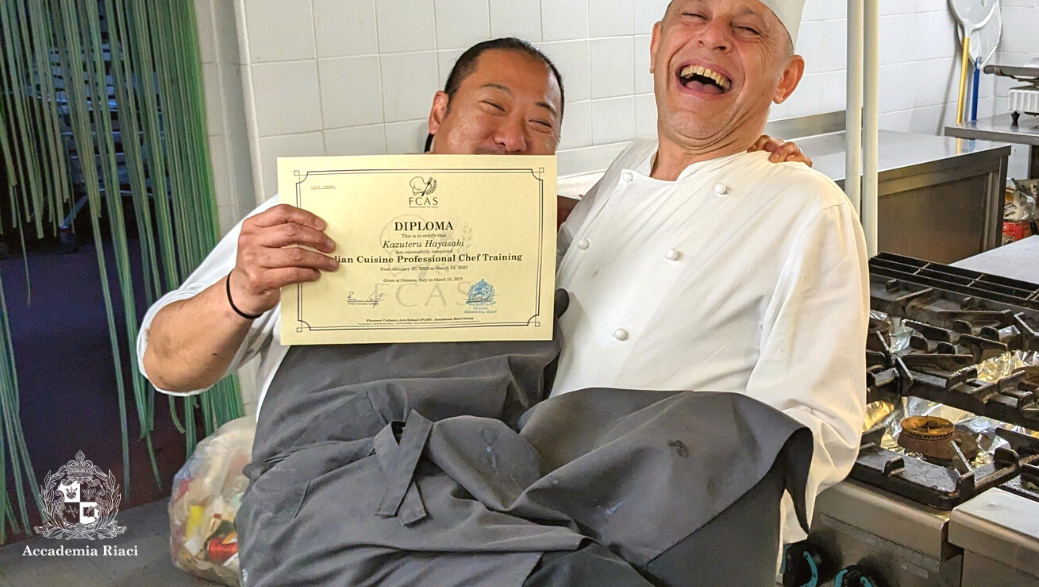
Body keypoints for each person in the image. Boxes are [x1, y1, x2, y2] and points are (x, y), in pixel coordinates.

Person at [137, 38, 806, 411]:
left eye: (540, 123)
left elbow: (675, 221)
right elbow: (166, 363)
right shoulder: (314, 218)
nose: (513, 139)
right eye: (492, 108)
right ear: (438, 112)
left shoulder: (569, 232)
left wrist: (756, 171)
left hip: (496, 507)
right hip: (331, 498)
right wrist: (239, 294)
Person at [550, 0, 870, 538]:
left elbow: (820, 431)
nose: (713, 37)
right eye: (693, 16)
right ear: (656, 46)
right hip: (539, 522)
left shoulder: (807, 208)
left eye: (747, 28)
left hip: (671, 550)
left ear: (786, 78)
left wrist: (678, 534)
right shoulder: (625, 168)